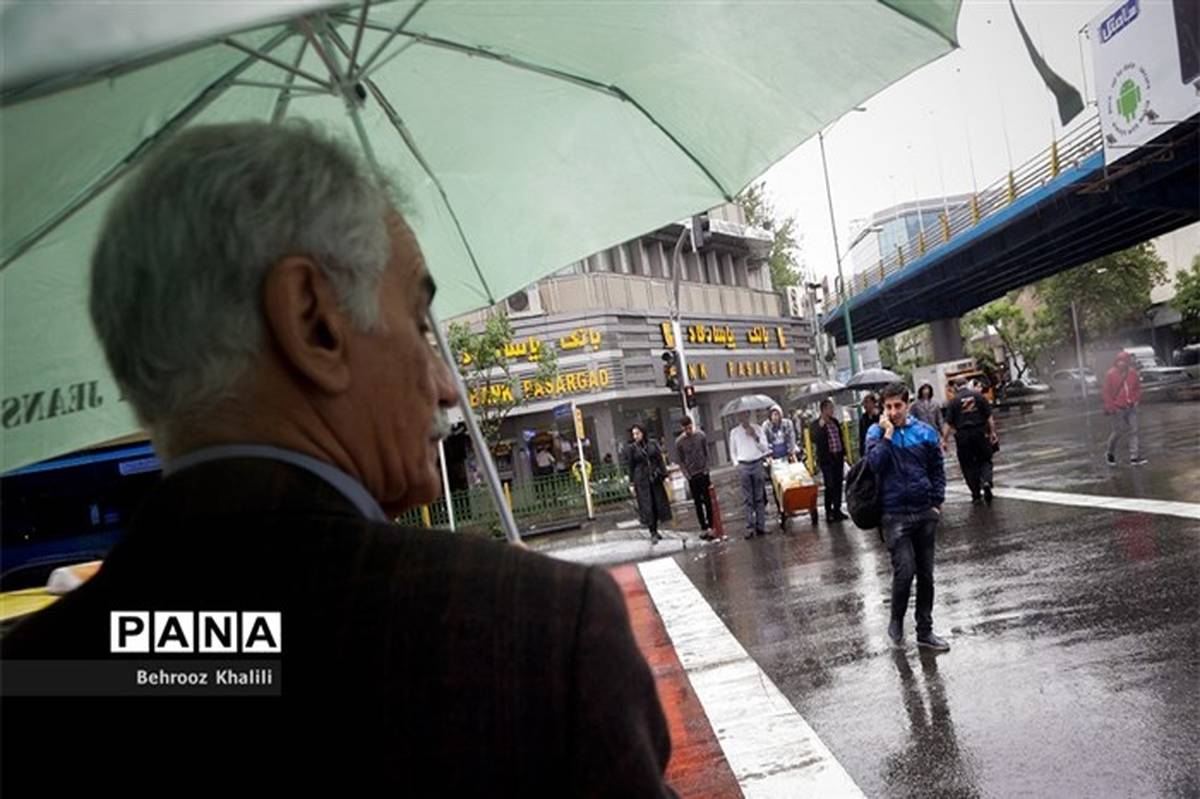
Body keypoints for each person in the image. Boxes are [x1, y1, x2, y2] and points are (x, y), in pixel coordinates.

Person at [0, 123, 674, 796]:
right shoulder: (540, 637)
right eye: (418, 323)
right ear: (312, 320)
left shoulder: (32, 674)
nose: (445, 385)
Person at [865, 383, 950, 652]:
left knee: (926, 575)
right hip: (893, 515)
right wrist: (887, 436)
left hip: (924, 511)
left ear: (907, 404)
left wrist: (936, 502)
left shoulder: (924, 432)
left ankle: (925, 631)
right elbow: (874, 466)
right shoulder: (875, 432)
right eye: (888, 407)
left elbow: (937, 467)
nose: (893, 411)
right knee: (905, 571)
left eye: (897, 406)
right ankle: (896, 620)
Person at [942, 377, 998, 505]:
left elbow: (948, 423)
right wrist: (992, 432)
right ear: (967, 384)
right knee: (985, 459)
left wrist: (944, 440)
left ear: (956, 387)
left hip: (963, 436)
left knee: (968, 465)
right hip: (980, 432)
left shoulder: (953, 402)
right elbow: (989, 417)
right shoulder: (979, 397)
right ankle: (986, 481)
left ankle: (976, 494)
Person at [624, 423, 672, 543]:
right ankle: (653, 532)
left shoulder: (653, 444)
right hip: (641, 480)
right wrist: (631, 483)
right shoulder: (632, 448)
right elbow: (631, 466)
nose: (635, 436)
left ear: (643, 433)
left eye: (637, 433)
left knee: (657, 503)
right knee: (647, 506)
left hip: (655, 478)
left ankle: (656, 528)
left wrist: (665, 475)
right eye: (634, 434)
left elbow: (660, 460)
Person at [729, 409, 771, 538]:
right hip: (744, 465)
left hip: (757, 462)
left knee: (759, 497)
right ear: (738, 416)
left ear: (748, 415)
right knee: (747, 499)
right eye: (740, 414)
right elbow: (733, 451)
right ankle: (749, 527)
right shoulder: (734, 432)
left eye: (745, 414)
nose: (743, 416)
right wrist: (737, 464)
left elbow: (765, 448)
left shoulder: (757, 428)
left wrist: (755, 437)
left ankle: (761, 526)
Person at [675, 416, 716, 541]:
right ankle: (703, 526)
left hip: (703, 472)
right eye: (685, 428)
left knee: (708, 500)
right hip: (692, 475)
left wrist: (706, 469)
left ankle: (711, 525)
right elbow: (680, 460)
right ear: (682, 428)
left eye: (690, 427)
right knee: (697, 502)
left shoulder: (700, 436)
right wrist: (687, 475)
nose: (688, 430)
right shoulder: (679, 442)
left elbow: (706, 452)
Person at [1103, 351, 1147, 466]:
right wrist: (1110, 406)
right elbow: (1106, 392)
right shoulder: (1110, 374)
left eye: (1123, 361)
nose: (1121, 363)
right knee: (1118, 432)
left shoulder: (1132, 373)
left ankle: (1134, 457)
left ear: (1127, 362)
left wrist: (1136, 399)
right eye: (1119, 361)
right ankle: (1109, 453)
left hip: (1131, 407)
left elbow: (1137, 388)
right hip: (1117, 408)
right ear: (1116, 362)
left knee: (1134, 430)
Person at [810, 399, 850, 522]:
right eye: (830, 408)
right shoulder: (816, 424)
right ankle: (829, 511)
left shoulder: (835, 422)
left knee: (838, 484)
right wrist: (821, 427)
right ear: (823, 410)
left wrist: (844, 453)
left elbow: (840, 437)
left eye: (832, 408)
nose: (832, 411)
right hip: (827, 459)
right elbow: (814, 439)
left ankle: (837, 509)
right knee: (830, 485)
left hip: (838, 456)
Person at [763, 403, 799, 523]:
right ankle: (781, 509)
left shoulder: (787, 424)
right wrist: (768, 455)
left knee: (789, 483)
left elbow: (791, 437)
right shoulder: (766, 426)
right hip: (774, 459)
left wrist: (792, 452)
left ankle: (791, 507)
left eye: (777, 414)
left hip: (785, 456)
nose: (776, 416)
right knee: (777, 486)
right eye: (773, 414)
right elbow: (765, 442)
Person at [859, 393, 882, 457]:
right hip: (867, 450)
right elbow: (861, 436)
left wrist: (877, 416)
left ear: (873, 403)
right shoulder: (863, 418)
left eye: (867, 402)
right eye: (864, 403)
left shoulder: (881, 416)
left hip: (880, 448)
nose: (865, 405)